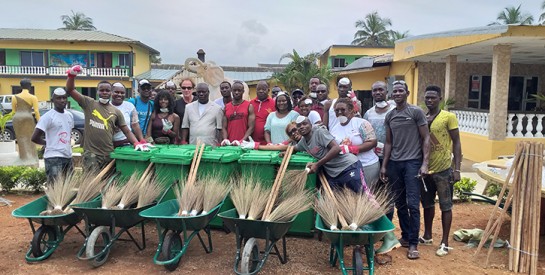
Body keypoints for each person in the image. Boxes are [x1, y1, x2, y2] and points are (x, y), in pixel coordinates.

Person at [380, 80, 430, 260]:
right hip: (394, 163)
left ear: (407, 93)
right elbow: (388, 142)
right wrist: (384, 165)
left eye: (401, 90)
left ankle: (414, 243)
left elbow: (426, 138)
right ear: (391, 95)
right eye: (395, 91)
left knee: (412, 204)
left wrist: (425, 163)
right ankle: (407, 237)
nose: (397, 93)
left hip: (412, 163)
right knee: (399, 203)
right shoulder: (390, 115)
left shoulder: (415, 112)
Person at [65, 65, 147, 171]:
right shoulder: (89, 103)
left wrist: (136, 143)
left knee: (107, 183)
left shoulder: (116, 112)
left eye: (107, 90)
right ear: (97, 91)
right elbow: (70, 90)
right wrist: (71, 76)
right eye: (102, 90)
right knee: (91, 183)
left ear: (111, 92)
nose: (104, 92)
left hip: (108, 153)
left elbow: (127, 131)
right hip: (91, 154)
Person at [420, 85, 462, 257]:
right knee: (427, 204)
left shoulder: (448, 117)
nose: (430, 100)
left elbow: (457, 142)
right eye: (427, 97)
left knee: (446, 205)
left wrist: (457, 168)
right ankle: (427, 235)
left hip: (444, 168)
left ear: (440, 98)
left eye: (433, 97)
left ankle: (444, 242)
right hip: (426, 169)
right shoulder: (422, 116)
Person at [363, 80, 399, 260]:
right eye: (374, 90)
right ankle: (378, 231)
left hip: (391, 159)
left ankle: (388, 233)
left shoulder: (393, 110)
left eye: (381, 90)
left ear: (387, 92)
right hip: (372, 160)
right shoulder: (368, 113)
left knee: (388, 196)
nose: (378, 93)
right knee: (373, 195)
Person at [294, 116, 366, 193]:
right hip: (333, 174)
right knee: (338, 201)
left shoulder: (319, 132)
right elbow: (293, 148)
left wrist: (317, 164)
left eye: (304, 124)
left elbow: (336, 148)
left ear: (311, 124)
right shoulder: (303, 142)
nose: (302, 127)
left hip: (348, 167)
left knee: (362, 196)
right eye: (299, 126)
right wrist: (282, 150)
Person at [330, 98, 379, 185]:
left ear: (350, 110)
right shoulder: (334, 129)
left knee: (367, 195)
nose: (339, 112)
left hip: (367, 165)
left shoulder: (361, 123)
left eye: (343, 109)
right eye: (337, 110)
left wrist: (351, 149)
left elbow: (372, 142)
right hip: (348, 168)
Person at [31, 88, 73, 183]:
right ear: (52, 100)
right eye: (58, 98)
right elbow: (34, 138)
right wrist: (49, 143)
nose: (62, 100)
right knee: (55, 188)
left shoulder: (69, 115)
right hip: (53, 157)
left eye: (64, 98)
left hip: (68, 156)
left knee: (68, 187)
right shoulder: (48, 117)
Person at [12, 78, 41, 165]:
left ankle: (23, 158)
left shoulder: (14, 97)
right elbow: (36, 111)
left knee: (21, 139)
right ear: (29, 86)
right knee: (30, 138)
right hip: (28, 118)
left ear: (21, 86)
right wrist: (39, 121)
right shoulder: (33, 97)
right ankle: (32, 158)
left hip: (17, 118)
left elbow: (14, 111)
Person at [111, 83, 144, 147]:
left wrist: (141, 140)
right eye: (116, 92)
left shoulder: (130, 106)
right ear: (111, 92)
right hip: (108, 143)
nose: (119, 95)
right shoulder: (106, 106)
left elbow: (135, 125)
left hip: (125, 142)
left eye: (122, 93)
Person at [250, 81, 275, 145]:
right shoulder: (250, 103)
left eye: (263, 89)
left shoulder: (274, 103)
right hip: (252, 141)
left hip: (268, 142)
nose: (261, 91)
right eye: (259, 89)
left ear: (268, 90)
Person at [174, 78, 197, 143]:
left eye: (189, 88)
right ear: (180, 89)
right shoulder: (176, 104)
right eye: (184, 88)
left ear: (193, 89)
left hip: (197, 137)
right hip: (182, 139)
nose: (186, 90)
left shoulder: (199, 101)